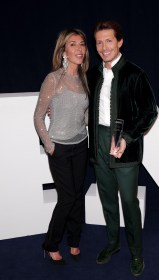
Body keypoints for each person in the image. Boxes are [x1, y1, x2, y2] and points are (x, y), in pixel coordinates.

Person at [88, 20, 157, 276]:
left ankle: (137, 253)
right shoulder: (92, 74)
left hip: (124, 147)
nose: (104, 47)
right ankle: (113, 244)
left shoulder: (135, 74)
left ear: (119, 42)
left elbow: (149, 112)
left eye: (108, 40)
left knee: (129, 202)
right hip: (99, 144)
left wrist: (128, 137)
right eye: (99, 42)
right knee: (108, 200)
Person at [34, 28, 89, 264]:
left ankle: (74, 241)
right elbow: (38, 117)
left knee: (77, 196)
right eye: (73, 44)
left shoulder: (85, 79)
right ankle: (50, 244)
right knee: (67, 198)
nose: (79, 49)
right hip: (60, 147)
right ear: (63, 50)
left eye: (82, 44)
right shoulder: (53, 79)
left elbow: (83, 115)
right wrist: (49, 145)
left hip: (81, 144)